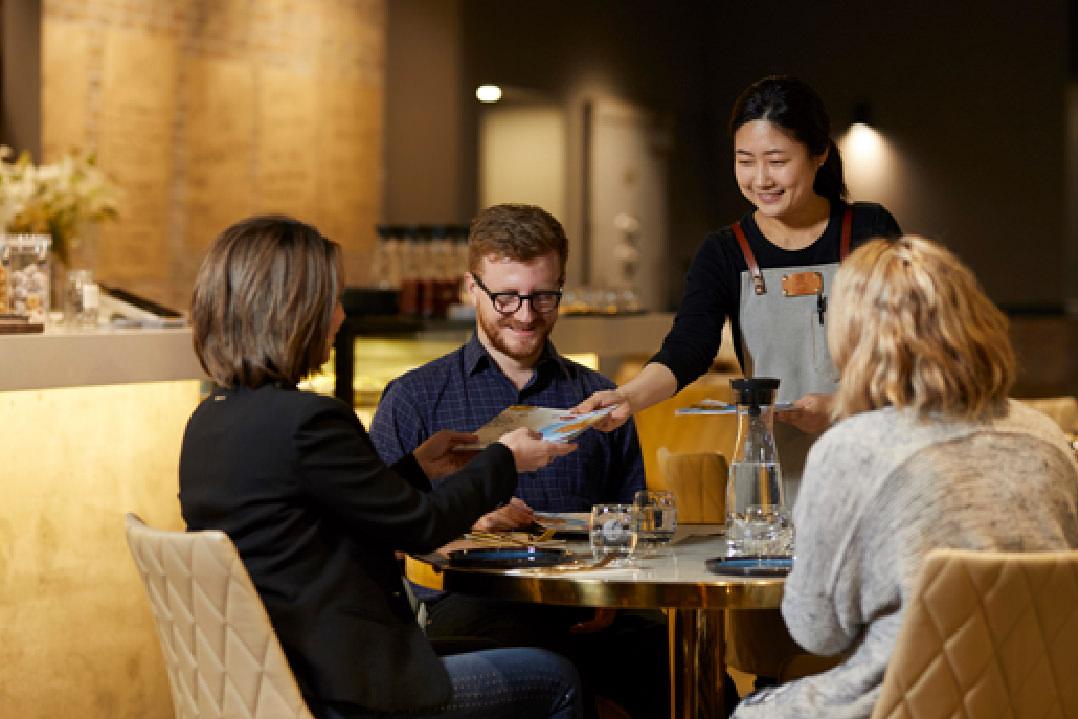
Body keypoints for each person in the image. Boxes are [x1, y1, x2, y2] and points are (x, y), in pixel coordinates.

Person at [179, 215, 584, 719]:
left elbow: (345, 515)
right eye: (333, 301)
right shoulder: (309, 422)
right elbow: (421, 528)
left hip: (278, 679)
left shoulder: (210, 421)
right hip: (352, 691)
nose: (341, 317)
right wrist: (506, 458)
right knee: (555, 677)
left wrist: (419, 468)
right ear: (292, 311)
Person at [732, 236, 1078, 718]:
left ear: (855, 337)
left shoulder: (851, 448)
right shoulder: (1047, 438)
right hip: (1043, 699)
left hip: (900, 702)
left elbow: (816, 630)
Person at [369, 203, 665, 719]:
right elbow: (377, 538)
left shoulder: (597, 397)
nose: (526, 315)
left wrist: (616, 593)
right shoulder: (415, 398)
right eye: (506, 297)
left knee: (676, 663)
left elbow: (631, 519)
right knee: (540, 653)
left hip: (588, 604)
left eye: (543, 296)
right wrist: (468, 521)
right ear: (471, 288)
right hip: (472, 609)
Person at [576, 75, 902, 502]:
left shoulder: (869, 230)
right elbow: (688, 348)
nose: (760, 179)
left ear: (819, 153)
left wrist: (842, 403)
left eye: (777, 160)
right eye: (745, 161)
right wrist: (626, 397)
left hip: (877, 459)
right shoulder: (726, 251)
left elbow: (908, 349)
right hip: (776, 471)